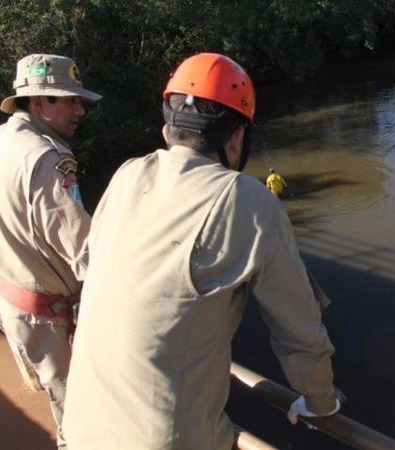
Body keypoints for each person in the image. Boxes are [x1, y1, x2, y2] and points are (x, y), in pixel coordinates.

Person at [63, 53, 340, 449]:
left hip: (81, 428)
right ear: (237, 137)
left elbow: (88, 268)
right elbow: (298, 330)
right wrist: (320, 401)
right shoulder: (246, 199)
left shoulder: (127, 175)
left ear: (166, 129)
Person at [0, 54, 102, 448]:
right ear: (38, 103)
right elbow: (85, 250)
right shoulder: (48, 160)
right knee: (78, 419)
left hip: (16, 306)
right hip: (49, 320)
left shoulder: (6, 140)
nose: (80, 110)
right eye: (69, 100)